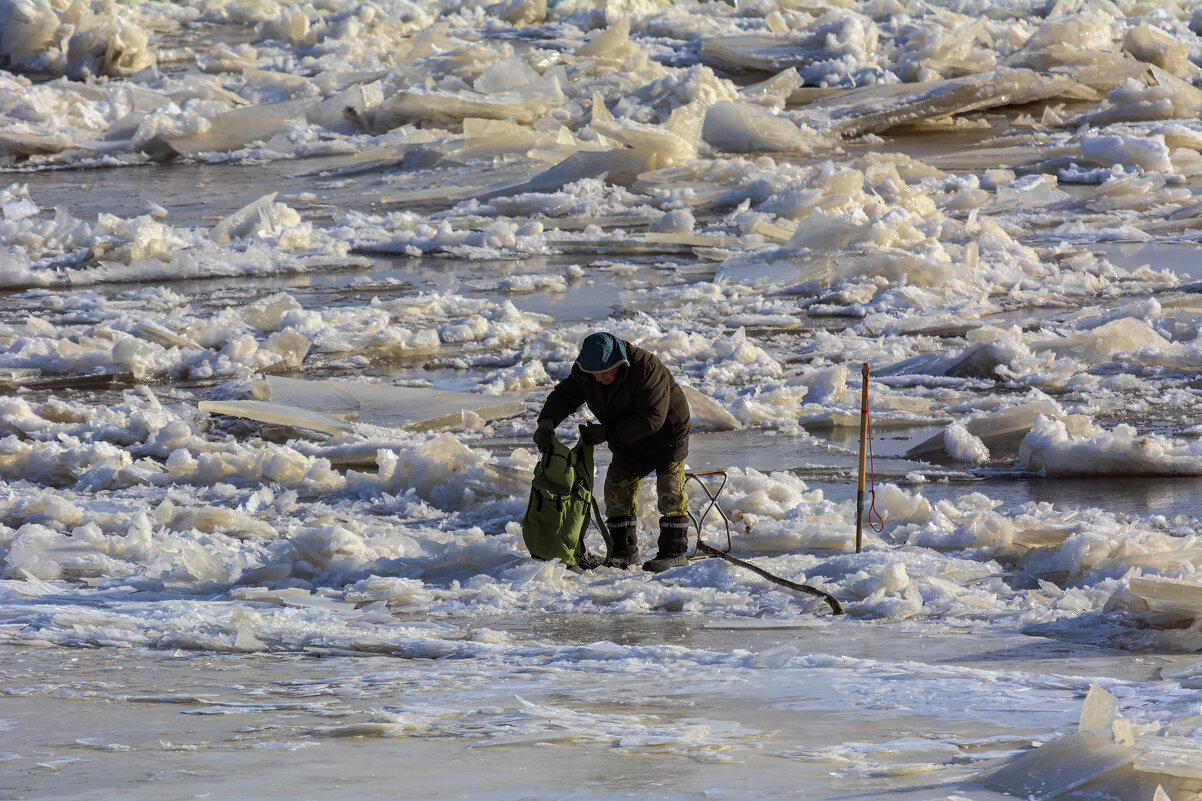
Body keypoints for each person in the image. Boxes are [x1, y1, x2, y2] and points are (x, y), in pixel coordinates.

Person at [533, 332, 691, 572]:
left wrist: (606, 433)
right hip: (624, 433)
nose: (598, 378)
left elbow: (652, 419)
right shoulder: (587, 372)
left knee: (669, 489)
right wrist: (546, 421)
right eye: (593, 373)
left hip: (666, 433)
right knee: (616, 487)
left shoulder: (647, 368)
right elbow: (566, 395)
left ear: (621, 363)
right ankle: (624, 552)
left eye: (605, 372)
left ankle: (673, 552)